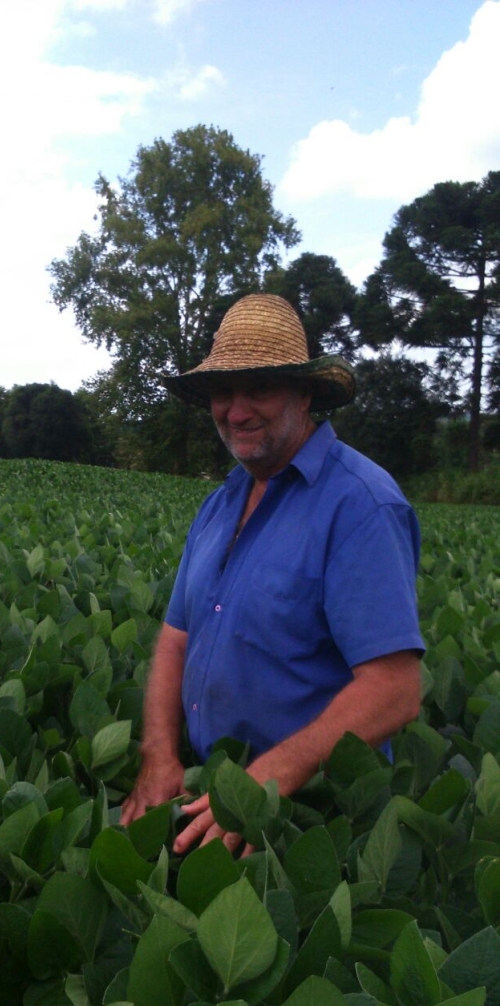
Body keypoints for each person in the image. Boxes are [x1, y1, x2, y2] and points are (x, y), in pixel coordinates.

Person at [120, 293, 424, 855]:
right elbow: (175, 639)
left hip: (315, 815)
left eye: (259, 387)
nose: (236, 411)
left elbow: (396, 689)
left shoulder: (360, 504)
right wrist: (159, 754)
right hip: (216, 792)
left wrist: (269, 778)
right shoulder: (219, 504)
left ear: (305, 393)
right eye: (223, 391)